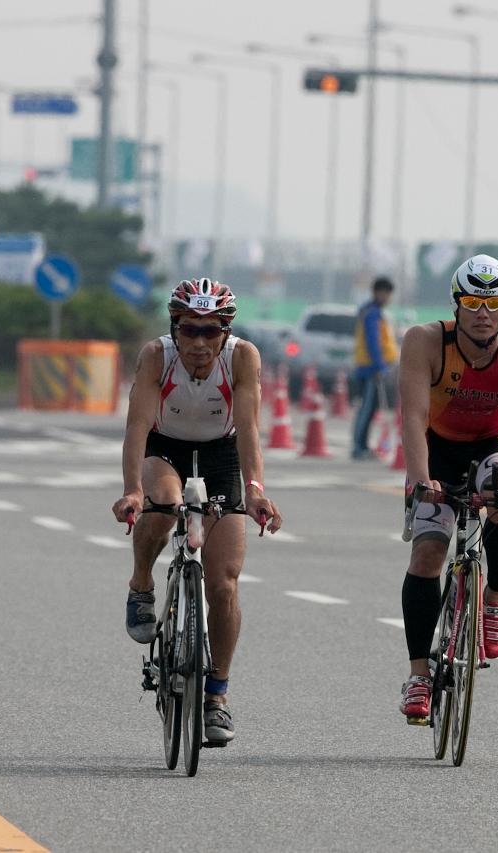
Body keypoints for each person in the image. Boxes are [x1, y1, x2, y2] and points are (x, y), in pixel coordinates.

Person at [111, 277, 282, 745]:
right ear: (175, 328)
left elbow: (248, 428)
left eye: (212, 331)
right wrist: (131, 490)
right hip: (164, 448)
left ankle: (217, 697)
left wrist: (255, 491)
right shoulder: (156, 356)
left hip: (222, 453)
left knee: (224, 582)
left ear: (226, 333)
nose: (200, 343)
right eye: (190, 330)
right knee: (163, 504)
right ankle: (142, 583)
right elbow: (137, 427)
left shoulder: (242, 358)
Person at [395, 255, 498, 724]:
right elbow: (413, 418)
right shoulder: (425, 341)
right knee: (427, 554)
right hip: (434, 447)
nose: (482, 312)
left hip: (493, 443)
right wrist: (423, 481)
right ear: (455, 304)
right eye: (471, 302)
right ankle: (419, 675)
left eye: (492, 303)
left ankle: (495, 601)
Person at [351, 276, 399, 459]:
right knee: (366, 409)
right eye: (386, 293)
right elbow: (374, 342)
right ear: (379, 292)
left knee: (368, 409)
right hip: (371, 368)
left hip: (369, 367)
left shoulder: (370, 311)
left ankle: (362, 445)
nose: (388, 298)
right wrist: (380, 366)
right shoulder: (373, 313)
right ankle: (359, 447)